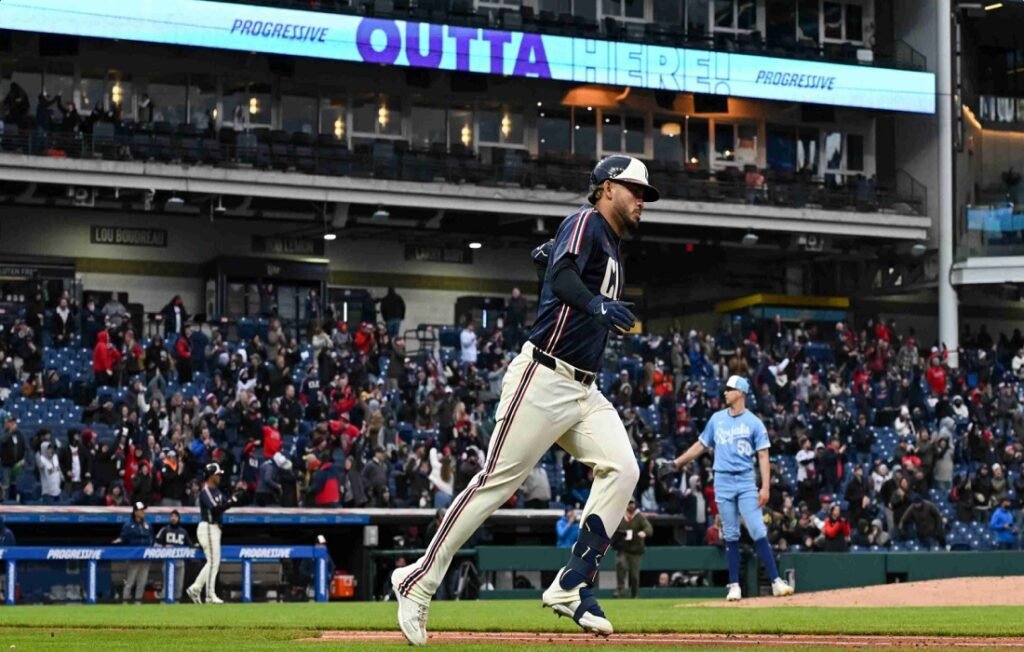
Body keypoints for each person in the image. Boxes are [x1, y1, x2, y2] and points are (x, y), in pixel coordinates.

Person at [391, 155, 657, 644]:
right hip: (542, 378)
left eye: (644, 193)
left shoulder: (610, 242)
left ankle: (572, 585)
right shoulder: (587, 220)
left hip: (584, 388)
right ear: (605, 188)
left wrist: (560, 270)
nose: (642, 198)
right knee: (494, 483)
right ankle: (417, 580)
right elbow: (564, 280)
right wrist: (590, 295)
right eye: (634, 189)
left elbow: (559, 281)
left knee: (624, 468)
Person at [673, 375, 795, 601]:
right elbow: (701, 445)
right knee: (730, 534)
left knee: (758, 530)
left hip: (746, 481)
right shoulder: (717, 419)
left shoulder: (754, 422)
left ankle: (776, 581)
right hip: (722, 480)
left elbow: (763, 455)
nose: (725, 393)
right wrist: (677, 463)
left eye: (729, 389)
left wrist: (765, 487)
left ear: (740, 392)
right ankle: (734, 585)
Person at [186, 462, 239, 604]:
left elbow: (224, 503)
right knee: (213, 561)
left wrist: (235, 497)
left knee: (213, 562)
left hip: (215, 528)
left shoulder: (217, 490)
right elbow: (216, 510)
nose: (219, 476)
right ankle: (209, 595)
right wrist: (231, 502)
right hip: (208, 527)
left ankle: (196, 589)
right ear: (210, 475)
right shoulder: (206, 491)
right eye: (217, 474)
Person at [113, 501, 154, 603]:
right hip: (134, 556)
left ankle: (138, 602)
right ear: (135, 511)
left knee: (142, 581)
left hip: (146, 557)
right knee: (130, 581)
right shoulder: (129, 525)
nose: (143, 512)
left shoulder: (147, 524)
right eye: (141, 510)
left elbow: (151, 538)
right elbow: (124, 538)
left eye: (143, 510)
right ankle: (125, 601)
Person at [613, 498, 653, 599]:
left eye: (633, 503)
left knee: (634, 574)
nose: (631, 505)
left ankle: (634, 594)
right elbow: (613, 529)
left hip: (635, 550)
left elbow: (648, 528)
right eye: (629, 503)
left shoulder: (639, 516)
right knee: (620, 564)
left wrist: (644, 532)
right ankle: (620, 590)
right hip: (622, 548)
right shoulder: (619, 516)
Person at [156, 509, 192, 602]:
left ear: (179, 518)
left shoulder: (183, 531)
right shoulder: (164, 529)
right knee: (167, 582)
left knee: (179, 584)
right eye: (172, 516)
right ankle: (164, 600)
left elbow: (189, 545)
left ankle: (177, 602)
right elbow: (156, 544)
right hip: (167, 560)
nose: (173, 518)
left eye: (175, 516)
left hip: (180, 561)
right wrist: (164, 549)